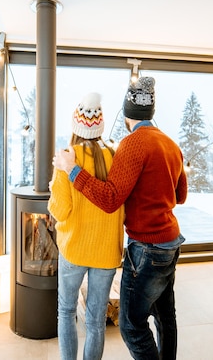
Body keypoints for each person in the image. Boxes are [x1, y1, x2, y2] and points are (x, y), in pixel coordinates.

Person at [53, 76, 188, 360]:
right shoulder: (168, 145)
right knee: (164, 316)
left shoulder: (126, 147)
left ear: (127, 114)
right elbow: (180, 195)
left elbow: (109, 199)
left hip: (139, 246)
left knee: (128, 325)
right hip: (166, 242)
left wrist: (71, 172)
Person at [48, 92, 125, 360]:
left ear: (75, 127)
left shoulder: (67, 159)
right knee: (95, 321)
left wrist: (53, 188)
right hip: (106, 253)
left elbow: (60, 210)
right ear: (100, 127)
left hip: (75, 249)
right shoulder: (115, 157)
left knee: (66, 311)